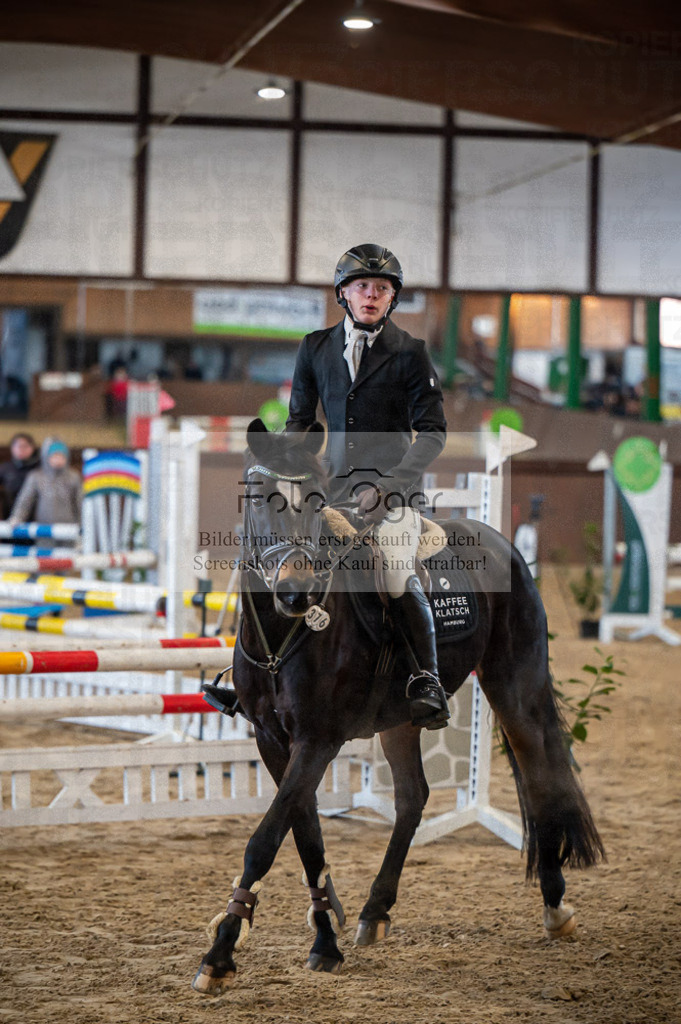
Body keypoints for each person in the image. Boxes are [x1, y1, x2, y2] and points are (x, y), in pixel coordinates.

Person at [286, 243, 450, 730]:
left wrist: (393, 487)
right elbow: (299, 422)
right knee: (280, 560)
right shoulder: (313, 348)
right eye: (363, 286)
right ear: (344, 293)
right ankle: (253, 674)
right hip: (331, 492)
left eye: (382, 288)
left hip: (392, 496)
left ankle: (427, 677)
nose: (372, 295)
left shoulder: (412, 354)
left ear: (392, 298)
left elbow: (434, 431)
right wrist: (277, 463)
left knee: (396, 569)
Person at [10, 438, 82, 525]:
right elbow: (25, 501)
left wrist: (83, 523)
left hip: (69, 529)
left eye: (62, 456)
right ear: (46, 457)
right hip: (43, 530)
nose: (58, 459)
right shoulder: (36, 477)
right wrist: (17, 517)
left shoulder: (74, 477)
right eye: (55, 455)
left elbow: (80, 502)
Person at [0, 432, 40, 519]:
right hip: (10, 517)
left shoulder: (40, 469)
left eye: (25, 446)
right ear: (12, 448)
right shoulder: (5, 468)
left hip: (36, 518)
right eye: (18, 446)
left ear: (32, 448)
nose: (22, 449)